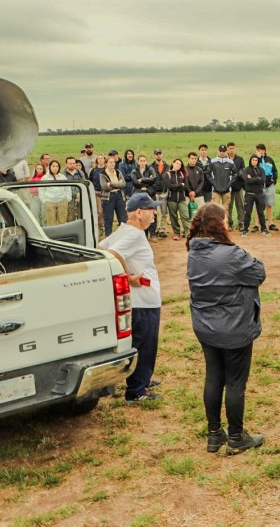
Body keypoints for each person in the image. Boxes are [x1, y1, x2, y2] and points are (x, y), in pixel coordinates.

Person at [186, 203, 266, 454]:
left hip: (205, 326)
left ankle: (214, 434)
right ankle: (236, 436)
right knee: (235, 382)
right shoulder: (231, 254)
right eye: (226, 220)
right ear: (218, 224)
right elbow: (259, 273)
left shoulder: (194, 252)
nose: (229, 223)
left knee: (213, 377)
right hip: (234, 327)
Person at [99, 193, 164, 403]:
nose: (154, 213)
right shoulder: (134, 234)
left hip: (141, 300)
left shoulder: (125, 230)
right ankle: (137, 390)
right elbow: (113, 253)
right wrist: (128, 277)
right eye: (151, 209)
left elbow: (100, 248)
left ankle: (142, 379)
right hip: (143, 301)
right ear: (139, 212)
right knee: (145, 343)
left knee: (143, 342)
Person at [240, 154, 269, 236]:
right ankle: (245, 229)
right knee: (247, 212)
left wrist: (252, 179)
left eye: (256, 160)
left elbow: (263, 180)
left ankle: (264, 229)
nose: (254, 162)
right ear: (250, 160)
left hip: (259, 194)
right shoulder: (246, 169)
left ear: (258, 161)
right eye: (253, 160)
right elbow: (246, 180)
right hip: (249, 194)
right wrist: (257, 178)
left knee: (261, 212)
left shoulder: (261, 170)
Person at [99, 156, 128, 237]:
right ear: (106, 164)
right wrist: (118, 184)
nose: (112, 164)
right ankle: (108, 236)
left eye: (113, 162)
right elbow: (105, 187)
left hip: (119, 195)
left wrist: (111, 184)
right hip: (108, 197)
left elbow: (123, 184)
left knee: (122, 218)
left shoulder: (118, 172)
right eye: (110, 162)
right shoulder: (103, 174)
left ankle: (123, 236)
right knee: (108, 218)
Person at [255, 144, 278, 231]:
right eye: (258, 150)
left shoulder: (269, 159)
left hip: (269, 184)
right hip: (259, 186)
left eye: (260, 150)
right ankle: (256, 225)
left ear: (264, 150)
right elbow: (253, 168)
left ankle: (270, 223)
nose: (259, 151)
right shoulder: (255, 159)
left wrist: (274, 180)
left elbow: (274, 171)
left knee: (269, 205)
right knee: (257, 205)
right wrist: (258, 158)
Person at [164, 159, 189, 240]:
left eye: (180, 164)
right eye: (177, 163)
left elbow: (186, 186)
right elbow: (169, 186)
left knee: (185, 216)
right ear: (173, 163)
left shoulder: (183, 174)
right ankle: (176, 233)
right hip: (171, 199)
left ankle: (187, 232)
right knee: (173, 216)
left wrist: (176, 186)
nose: (178, 165)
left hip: (182, 198)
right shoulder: (168, 174)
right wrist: (180, 184)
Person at [40, 160, 70, 226]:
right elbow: (41, 190)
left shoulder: (62, 177)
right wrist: (44, 201)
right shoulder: (44, 178)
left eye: (57, 166)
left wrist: (68, 199)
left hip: (62, 201)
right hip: (49, 202)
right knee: (51, 221)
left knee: (62, 221)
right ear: (50, 167)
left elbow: (67, 188)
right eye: (53, 166)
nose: (55, 168)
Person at [209, 145, 236, 212]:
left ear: (226, 151)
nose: (222, 152)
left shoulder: (231, 162)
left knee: (225, 210)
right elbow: (208, 174)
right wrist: (214, 184)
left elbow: (235, 174)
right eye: (220, 151)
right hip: (215, 190)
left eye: (224, 151)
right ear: (218, 151)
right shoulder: (212, 161)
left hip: (226, 190)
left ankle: (225, 219)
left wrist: (228, 185)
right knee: (214, 209)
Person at [151, 149, 169, 237]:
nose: (158, 155)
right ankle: (155, 229)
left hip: (164, 192)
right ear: (154, 155)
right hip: (154, 192)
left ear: (162, 154)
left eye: (160, 153)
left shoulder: (168, 167)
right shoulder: (150, 167)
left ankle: (162, 229)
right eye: (157, 154)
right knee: (155, 212)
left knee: (164, 212)